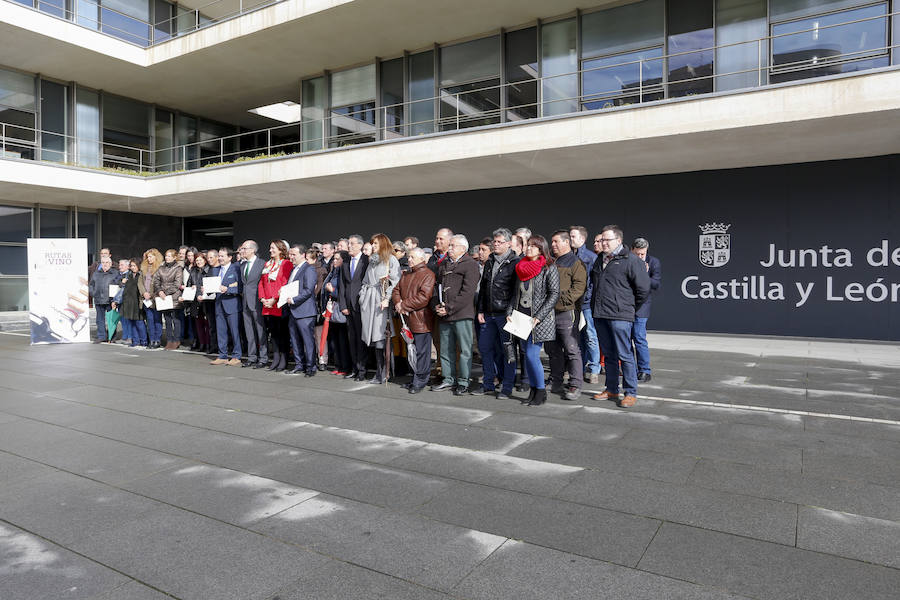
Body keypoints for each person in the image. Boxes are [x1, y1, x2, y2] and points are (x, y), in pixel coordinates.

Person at [591, 225, 651, 408]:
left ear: (618, 240)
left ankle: (630, 392)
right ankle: (611, 388)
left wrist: (628, 309)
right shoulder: (599, 260)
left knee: (625, 354)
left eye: (607, 240)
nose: (603, 243)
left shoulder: (631, 260)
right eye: (601, 240)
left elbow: (643, 289)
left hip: (621, 315)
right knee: (609, 355)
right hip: (600, 314)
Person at [508, 235, 559, 406]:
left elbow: (554, 294)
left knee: (531, 355)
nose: (528, 248)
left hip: (538, 320)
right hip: (521, 317)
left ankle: (541, 391)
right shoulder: (520, 267)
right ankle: (534, 391)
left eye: (532, 246)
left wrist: (540, 316)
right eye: (527, 245)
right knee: (526, 356)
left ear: (540, 249)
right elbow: (515, 293)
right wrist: (510, 311)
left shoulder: (549, 268)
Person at [431, 234, 479, 395]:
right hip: (444, 314)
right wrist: (437, 305)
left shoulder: (470, 264)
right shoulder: (444, 264)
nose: (449, 248)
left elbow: (467, 292)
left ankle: (463, 381)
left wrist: (449, 308)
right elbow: (437, 286)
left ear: (463, 249)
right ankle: (448, 379)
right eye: (449, 245)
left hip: (461, 314)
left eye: (453, 246)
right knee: (445, 349)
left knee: (465, 350)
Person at [474, 228, 519, 399]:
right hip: (488, 313)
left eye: (500, 242)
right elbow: (484, 287)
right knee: (485, 348)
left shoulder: (515, 261)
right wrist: (480, 310)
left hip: (505, 314)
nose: (496, 244)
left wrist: (510, 311)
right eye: (495, 241)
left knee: (508, 351)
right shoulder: (490, 260)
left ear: (508, 243)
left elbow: (516, 291)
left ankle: (507, 386)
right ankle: (488, 384)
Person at [547, 230, 586, 400]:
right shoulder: (551, 262)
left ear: (566, 242)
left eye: (556, 241)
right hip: (549, 314)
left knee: (571, 349)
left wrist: (556, 300)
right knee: (552, 349)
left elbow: (578, 289)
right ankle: (556, 380)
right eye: (552, 241)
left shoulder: (576, 263)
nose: (553, 244)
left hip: (567, 312)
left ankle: (575, 384)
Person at [359, 233, 401, 384]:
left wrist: (386, 298)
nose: (373, 246)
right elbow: (365, 281)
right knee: (373, 337)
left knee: (381, 336)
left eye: (376, 243)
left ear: (383, 244)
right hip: (369, 302)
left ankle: (383, 372)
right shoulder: (372, 261)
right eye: (372, 243)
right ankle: (379, 371)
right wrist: (363, 296)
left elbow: (395, 282)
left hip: (381, 302)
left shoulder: (391, 260)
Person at [392, 247, 435, 394]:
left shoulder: (428, 274)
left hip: (421, 319)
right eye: (409, 257)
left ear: (422, 259)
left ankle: (420, 380)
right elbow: (396, 290)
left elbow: (424, 297)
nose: (409, 259)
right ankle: (415, 378)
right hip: (407, 318)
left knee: (422, 352)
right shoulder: (406, 274)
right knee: (413, 351)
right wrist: (398, 304)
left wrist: (403, 305)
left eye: (412, 257)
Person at [570, 225, 601, 384]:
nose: (570, 239)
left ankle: (594, 369)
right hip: (571, 304)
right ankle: (578, 368)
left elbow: (592, 284)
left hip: (586, 304)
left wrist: (583, 299)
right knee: (574, 337)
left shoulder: (590, 257)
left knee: (590, 336)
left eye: (573, 236)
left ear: (582, 239)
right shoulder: (568, 256)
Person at [257, 240, 292, 371]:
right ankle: (275, 358)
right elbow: (262, 283)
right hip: (267, 304)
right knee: (273, 334)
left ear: (280, 249)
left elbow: (285, 283)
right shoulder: (268, 264)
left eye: (273, 248)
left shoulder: (286, 264)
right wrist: (262, 298)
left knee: (282, 333)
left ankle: (284, 359)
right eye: (270, 248)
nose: (270, 250)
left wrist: (274, 299)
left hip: (279, 304)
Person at [631, 237, 661, 382]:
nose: (640, 257)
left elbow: (656, 284)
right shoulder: (627, 261)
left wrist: (644, 274)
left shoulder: (653, 262)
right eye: (637, 254)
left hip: (642, 306)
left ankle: (644, 371)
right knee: (625, 339)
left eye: (642, 254)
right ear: (632, 251)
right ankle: (630, 369)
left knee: (639, 337)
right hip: (625, 305)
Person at [285, 244, 318, 376]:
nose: (291, 257)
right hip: (293, 311)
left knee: (307, 341)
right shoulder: (294, 270)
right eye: (290, 254)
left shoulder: (308, 269)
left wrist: (293, 300)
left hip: (305, 311)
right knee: (295, 340)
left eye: (294, 254)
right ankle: (299, 365)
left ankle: (311, 367)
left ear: (303, 255)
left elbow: (308, 290)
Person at [340, 234, 369, 381]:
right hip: (349, 307)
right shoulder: (345, 262)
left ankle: (362, 370)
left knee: (360, 339)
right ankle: (354, 368)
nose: (349, 246)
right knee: (351, 339)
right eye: (348, 244)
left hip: (361, 306)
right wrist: (343, 305)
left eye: (352, 244)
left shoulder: (366, 261)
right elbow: (342, 285)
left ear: (360, 245)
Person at [210, 247, 243, 366]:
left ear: (230, 257)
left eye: (222, 256)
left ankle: (236, 355)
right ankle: (222, 355)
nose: (220, 258)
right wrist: (206, 289)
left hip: (232, 304)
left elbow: (240, 287)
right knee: (221, 331)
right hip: (219, 304)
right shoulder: (215, 270)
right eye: (219, 255)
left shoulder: (236, 268)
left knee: (235, 331)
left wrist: (228, 289)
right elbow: (212, 286)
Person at [237, 240, 268, 368]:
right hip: (245, 302)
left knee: (260, 331)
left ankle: (263, 357)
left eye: (244, 249)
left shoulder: (262, 264)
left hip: (257, 302)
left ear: (252, 250)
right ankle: (252, 357)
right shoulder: (243, 265)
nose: (242, 251)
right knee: (249, 331)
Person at [323, 251, 351, 376]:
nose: (334, 261)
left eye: (337, 259)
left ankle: (345, 367)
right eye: (333, 259)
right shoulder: (333, 272)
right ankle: (338, 365)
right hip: (332, 308)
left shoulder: (343, 272)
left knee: (342, 339)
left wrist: (332, 290)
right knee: (335, 339)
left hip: (340, 307)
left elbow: (343, 292)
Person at [152, 249, 183, 350]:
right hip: (162, 297)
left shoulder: (178, 268)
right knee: (167, 319)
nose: (167, 258)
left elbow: (177, 284)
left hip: (173, 296)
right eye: (166, 256)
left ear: (174, 257)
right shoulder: (161, 268)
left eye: (169, 256)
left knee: (175, 319)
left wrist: (165, 292)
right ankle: (169, 340)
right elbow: (156, 280)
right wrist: (159, 291)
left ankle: (177, 340)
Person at [88, 256, 118, 343]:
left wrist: (114, 299)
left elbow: (118, 285)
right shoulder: (96, 273)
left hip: (110, 300)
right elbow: (91, 285)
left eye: (107, 262)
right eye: (103, 263)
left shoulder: (115, 273)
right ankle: (102, 336)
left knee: (111, 319)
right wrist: (93, 293)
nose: (105, 264)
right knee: (99, 320)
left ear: (110, 264)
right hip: (98, 299)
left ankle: (111, 336)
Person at [138, 249, 164, 349]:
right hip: (146, 299)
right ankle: (152, 339)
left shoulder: (160, 268)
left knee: (157, 320)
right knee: (149, 320)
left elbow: (161, 283)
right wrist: (144, 293)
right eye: (148, 257)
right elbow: (140, 282)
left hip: (156, 298)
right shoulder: (143, 268)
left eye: (151, 257)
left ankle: (157, 340)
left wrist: (152, 294)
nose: (149, 259)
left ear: (156, 257)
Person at [119, 258, 147, 348]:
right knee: (132, 322)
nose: (133, 267)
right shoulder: (129, 275)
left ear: (139, 266)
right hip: (128, 302)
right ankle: (135, 341)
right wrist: (122, 283)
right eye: (131, 266)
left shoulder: (141, 275)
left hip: (137, 302)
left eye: (134, 266)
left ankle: (144, 341)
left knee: (139, 322)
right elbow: (124, 288)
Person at [189, 253, 211, 353]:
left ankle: (208, 343)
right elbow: (189, 284)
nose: (198, 262)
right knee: (199, 324)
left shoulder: (209, 270)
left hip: (206, 300)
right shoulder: (193, 271)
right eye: (197, 260)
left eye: (200, 260)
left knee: (208, 324)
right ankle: (202, 343)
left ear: (205, 260)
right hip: (196, 301)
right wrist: (191, 287)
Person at [111, 259, 131, 344]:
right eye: (119, 265)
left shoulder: (129, 275)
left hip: (127, 300)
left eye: (122, 265)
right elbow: (115, 284)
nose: (120, 267)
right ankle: (125, 336)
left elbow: (125, 287)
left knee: (128, 320)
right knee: (122, 320)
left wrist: (121, 283)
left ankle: (130, 337)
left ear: (127, 266)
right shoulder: (119, 275)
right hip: (119, 300)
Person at [204, 249, 220, 353]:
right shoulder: (208, 270)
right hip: (209, 301)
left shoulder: (221, 269)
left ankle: (224, 346)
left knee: (221, 325)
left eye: (211, 257)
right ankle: (213, 345)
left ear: (217, 257)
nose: (209, 260)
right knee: (212, 325)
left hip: (218, 301)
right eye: (208, 258)